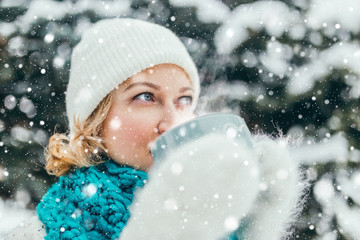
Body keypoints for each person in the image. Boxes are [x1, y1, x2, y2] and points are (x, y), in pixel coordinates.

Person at [6, 18, 303, 240]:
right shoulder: (34, 234)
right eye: (146, 97)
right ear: (94, 121)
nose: (172, 121)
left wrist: (253, 229)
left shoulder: (219, 218)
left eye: (184, 99)